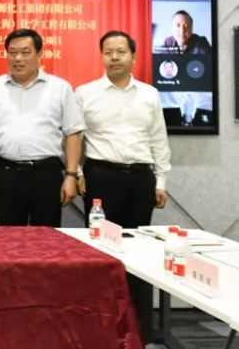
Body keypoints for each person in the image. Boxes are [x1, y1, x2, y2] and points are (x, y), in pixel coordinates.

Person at [76, 30, 172, 342]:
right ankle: (102, 326)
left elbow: (158, 139)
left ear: (133, 56)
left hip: (141, 181)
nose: (114, 58)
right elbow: (75, 138)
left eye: (121, 52)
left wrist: (161, 180)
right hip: (101, 180)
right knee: (102, 252)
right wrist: (77, 172)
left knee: (139, 253)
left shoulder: (149, 94)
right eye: (108, 52)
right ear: (101, 56)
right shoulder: (85, 93)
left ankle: (139, 330)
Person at [0, 29, 85, 227]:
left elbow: (73, 133)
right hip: (6, 174)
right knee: (7, 237)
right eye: (12, 52)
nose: (18, 58)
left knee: (46, 236)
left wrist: (71, 176)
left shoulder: (60, 88)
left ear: (39, 54)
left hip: (46, 174)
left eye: (25, 52)